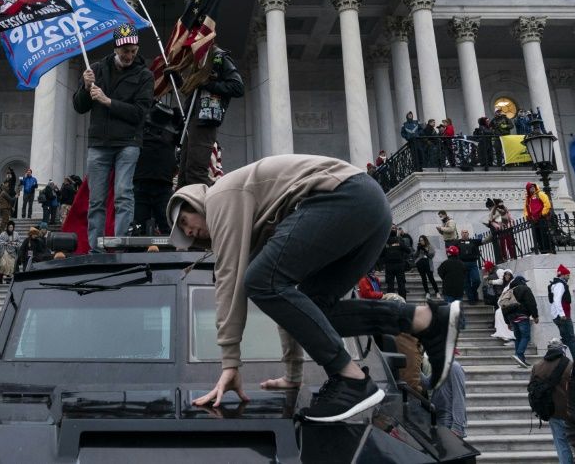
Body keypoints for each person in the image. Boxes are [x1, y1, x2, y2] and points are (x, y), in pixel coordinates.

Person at [166, 154, 461, 422]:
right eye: (184, 234)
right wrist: (294, 375)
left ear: (194, 203)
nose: (188, 232)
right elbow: (289, 306)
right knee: (313, 307)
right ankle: (425, 320)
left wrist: (230, 362)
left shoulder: (220, 196)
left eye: (184, 221)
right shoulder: (257, 222)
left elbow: (230, 282)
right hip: (368, 207)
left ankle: (352, 380)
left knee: (258, 280)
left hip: (345, 197)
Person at [73, 23, 154, 251]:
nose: (129, 55)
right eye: (125, 50)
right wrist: (86, 87)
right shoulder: (97, 69)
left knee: (123, 194)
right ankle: (95, 248)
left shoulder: (144, 75)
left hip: (128, 142)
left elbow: (140, 113)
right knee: (96, 200)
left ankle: (120, 246)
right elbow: (79, 106)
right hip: (99, 143)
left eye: (133, 50)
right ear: (116, 48)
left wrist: (108, 102)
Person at [176, 46, 244, 187]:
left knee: (196, 172)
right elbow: (191, 91)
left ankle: (203, 206)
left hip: (206, 120)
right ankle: (185, 205)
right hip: (191, 120)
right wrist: (177, 78)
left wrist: (207, 83)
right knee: (184, 174)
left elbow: (237, 87)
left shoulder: (218, 57)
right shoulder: (196, 58)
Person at [134, 103, 180, 235]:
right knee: (139, 229)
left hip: (161, 184)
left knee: (167, 228)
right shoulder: (142, 119)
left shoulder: (174, 124)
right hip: (143, 182)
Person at [529, 338, 574, 464]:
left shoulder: (537, 366)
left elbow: (532, 388)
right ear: (562, 349)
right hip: (570, 411)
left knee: (561, 442)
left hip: (551, 411)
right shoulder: (569, 365)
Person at [502, 274, 539, 368]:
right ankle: (519, 353)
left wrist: (507, 322)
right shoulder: (524, 289)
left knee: (518, 338)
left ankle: (521, 359)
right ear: (522, 282)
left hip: (512, 318)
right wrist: (535, 316)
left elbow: (503, 307)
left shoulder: (509, 291)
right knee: (526, 337)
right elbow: (531, 303)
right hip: (522, 316)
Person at [427, 357, 467, 439]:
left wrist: (457, 427)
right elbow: (428, 383)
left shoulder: (454, 367)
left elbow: (459, 397)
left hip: (448, 423)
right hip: (438, 420)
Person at [549, 264, 575, 359]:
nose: (569, 277)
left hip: (558, 316)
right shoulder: (560, 285)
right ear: (562, 275)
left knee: (566, 340)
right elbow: (557, 300)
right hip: (562, 316)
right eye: (567, 275)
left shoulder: (556, 284)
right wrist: (562, 314)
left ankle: (560, 360)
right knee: (571, 339)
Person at [524, 182, 553, 254]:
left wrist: (542, 214)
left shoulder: (540, 194)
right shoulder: (528, 198)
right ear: (528, 190)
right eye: (530, 188)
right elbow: (526, 208)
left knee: (544, 234)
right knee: (537, 236)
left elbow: (547, 204)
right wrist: (527, 216)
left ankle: (547, 250)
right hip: (533, 220)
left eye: (533, 187)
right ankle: (542, 250)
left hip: (541, 218)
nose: (532, 188)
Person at [491, 269, 516, 343]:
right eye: (506, 274)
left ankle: (507, 334)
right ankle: (502, 332)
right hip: (504, 306)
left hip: (510, 306)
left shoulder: (512, 284)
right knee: (498, 313)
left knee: (500, 313)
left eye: (508, 275)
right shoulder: (506, 284)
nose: (507, 276)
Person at [457, 230, 482, 304]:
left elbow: (484, 241)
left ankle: (474, 292)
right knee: (466, 283)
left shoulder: (473, 241)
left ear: (468, 234)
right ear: (461, 234)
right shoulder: (457, 242)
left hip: (473, 263)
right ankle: (471, 299)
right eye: (463, 233)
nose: (464, 234)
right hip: (462, 264)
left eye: (466, 232)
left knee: (476, 280)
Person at [381, 231, 409, 298]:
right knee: (401, 284)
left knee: (390, 285)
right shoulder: (399, 242)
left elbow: (381, 255)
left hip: (389, 266)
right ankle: (403, 301)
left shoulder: (386, 243)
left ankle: (391, 302)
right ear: (396, 234)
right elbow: (408, 250)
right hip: (399, 266)